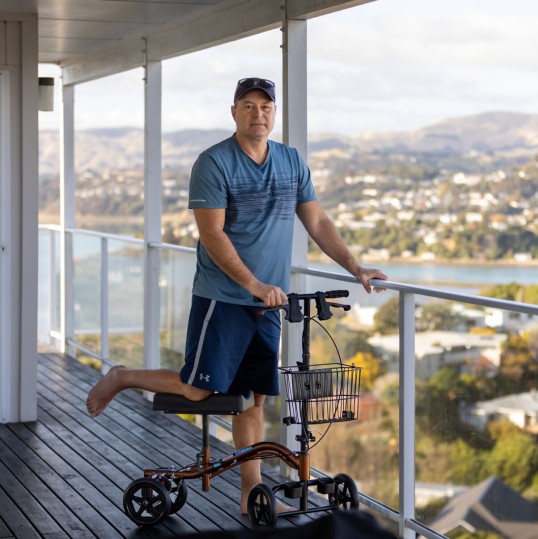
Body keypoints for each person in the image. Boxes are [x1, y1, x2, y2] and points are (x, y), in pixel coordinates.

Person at [86, 77, 388, 513]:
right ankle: (123, 376)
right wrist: (254, 285)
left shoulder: (290, 161)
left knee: (253, 399)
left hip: (270, 303)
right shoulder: (214, 163)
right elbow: (211, 235)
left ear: (274, 113)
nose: (258, 114)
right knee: (197, 391)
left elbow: (318, 223)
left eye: (265, 107)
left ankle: (251, 497)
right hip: (223, 298)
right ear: (234, 112)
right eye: (248, 106)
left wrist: (356, 267)